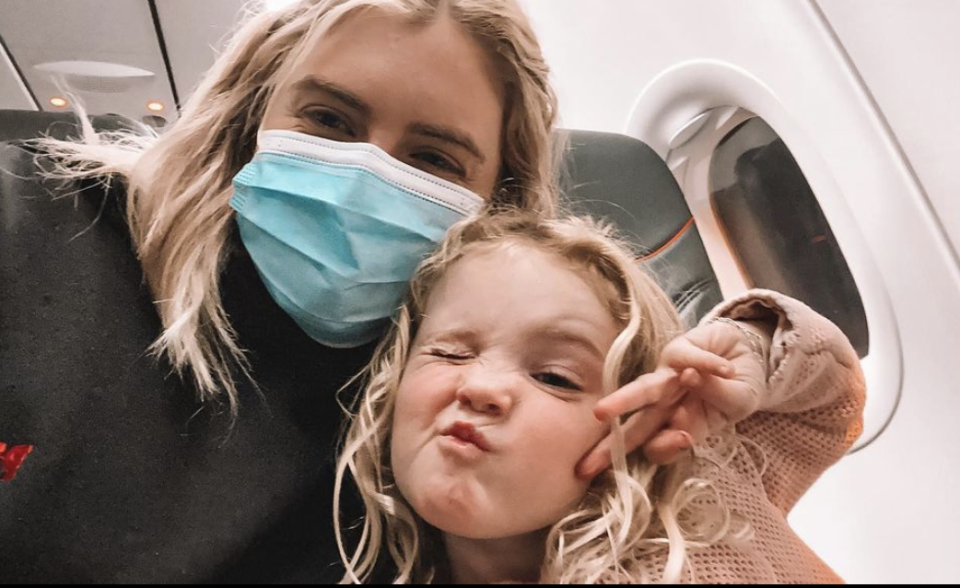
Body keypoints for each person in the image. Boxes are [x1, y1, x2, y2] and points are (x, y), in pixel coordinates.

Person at [0, 0, 861, 583]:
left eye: (434, 159)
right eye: (329, 121)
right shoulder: (31, 228)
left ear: (496, 202)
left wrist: (749, 339)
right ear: (246, 119)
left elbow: (815, 396)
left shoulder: (470, 429)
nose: (368, 172)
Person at [335, 210, 866, 584]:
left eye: (555, 377)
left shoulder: (703, 483)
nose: (481, 388)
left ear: (637, 420)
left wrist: (751, 340)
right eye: (450, 352)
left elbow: (829, 400)